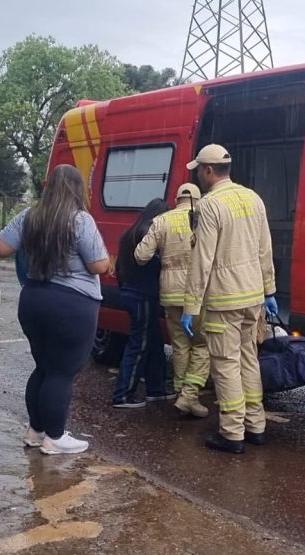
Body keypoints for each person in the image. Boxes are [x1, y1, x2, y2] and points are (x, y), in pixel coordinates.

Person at [0, 164, 111, 455]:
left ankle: (36, 431)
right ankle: (56, 438)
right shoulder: (81, 220)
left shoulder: (30, 216)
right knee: (61, 372)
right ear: (76, 189)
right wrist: (107, 261)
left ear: (49, 187)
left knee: (44, 368)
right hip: (71, 305)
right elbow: (98, 265)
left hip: (33, 299)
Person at [182, 144, 277, 454]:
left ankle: (232, 433)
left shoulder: (210, 205)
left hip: (224, 301)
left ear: (209, 171)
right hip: (253, 299)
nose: (197, 173)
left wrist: (191, 306)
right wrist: (270, 290)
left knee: (225, 366)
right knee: (249, 361)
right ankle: (256, 425)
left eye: (199, 169)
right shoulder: (254, 198)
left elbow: (202, 259)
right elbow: (265, 249)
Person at [135, 183, 210, 418]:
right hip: (197, 294)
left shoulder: (161, 220)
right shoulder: (204, 219)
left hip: (169, 293)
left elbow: (140, 256)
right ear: (198, 200)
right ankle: (189, 395)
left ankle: (182, 395)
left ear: (177, 199)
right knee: (202, 345)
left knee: (180, 346)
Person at [111, 198, 173, 408]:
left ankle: (156, 388)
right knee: (139, 345)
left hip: (130, 293)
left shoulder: (131, 232)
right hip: (144, 296)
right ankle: (122, 395)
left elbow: (119, 267)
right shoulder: (151, 233)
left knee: (154, 342)